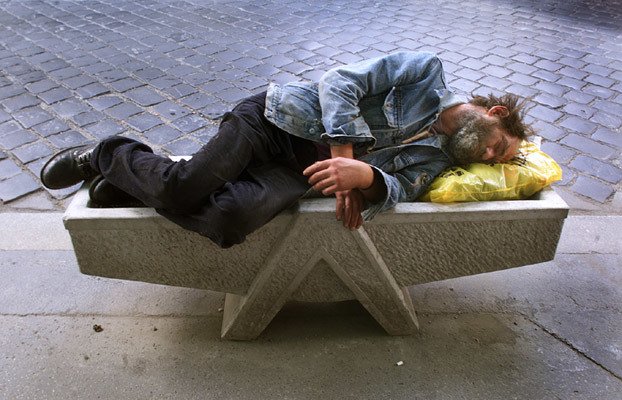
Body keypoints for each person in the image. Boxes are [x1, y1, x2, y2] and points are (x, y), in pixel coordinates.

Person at [41, 51, 532, 248]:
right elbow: (339, 82)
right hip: (273, 122)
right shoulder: (424, 73)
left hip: (300, 175)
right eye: (499, 147)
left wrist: (367, 180)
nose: (489, 157)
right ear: (495, 114)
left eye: (496, 161)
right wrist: (345, 159)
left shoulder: (442, 161)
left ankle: (129, 187)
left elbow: (401, 187)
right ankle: (104, 154)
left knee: (230, 221)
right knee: (186, 186)